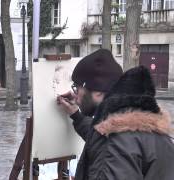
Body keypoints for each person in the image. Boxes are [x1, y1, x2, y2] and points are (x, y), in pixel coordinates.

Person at [57, 49, 174, 180]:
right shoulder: (141, 124)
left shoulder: (113, 145)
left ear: (97, 92)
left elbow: (110, 145)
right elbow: (99, 135)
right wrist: (76, 115)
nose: (76, 96)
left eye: (77, 89)